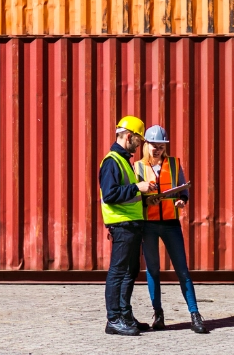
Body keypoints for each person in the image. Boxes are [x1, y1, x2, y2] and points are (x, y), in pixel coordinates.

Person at [134, 125, 208, 334]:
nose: (156, 149)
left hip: (170, 224)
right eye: (153, 145)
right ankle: (158, 314)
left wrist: (182, 201)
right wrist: (146, 201)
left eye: (160, 146)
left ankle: (195, 315)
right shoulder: (137, 167)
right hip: (148, 224)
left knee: (182, 271)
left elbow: (183, 189)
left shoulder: (174, 164)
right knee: (153, 271)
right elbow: (134, 197)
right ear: (145, 145)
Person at [99, 115, 157, 336]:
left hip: (132, 225)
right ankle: (113, 319)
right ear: (130, 136)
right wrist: (137, 188)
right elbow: (110, 194)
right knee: (118, 272)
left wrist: (145, 197)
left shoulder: (124, 160)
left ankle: (125, 315)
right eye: (139, 140)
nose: (139, 145)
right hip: (121, 225)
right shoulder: (112, 161)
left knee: (130, 271)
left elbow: (127, 194)